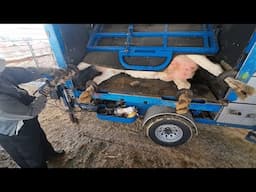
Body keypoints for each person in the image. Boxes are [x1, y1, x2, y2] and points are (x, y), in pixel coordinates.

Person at [0, 57, 65, 168]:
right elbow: (31, 111)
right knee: (31, 157)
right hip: (14, 131)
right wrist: (45, 92)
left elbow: (24, 73)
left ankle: (49, 154)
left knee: (39, 136)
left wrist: (49, 70)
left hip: (24, 117)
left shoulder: (3, 73)